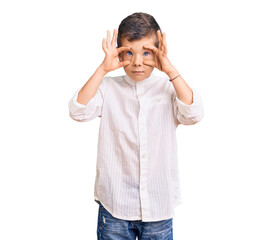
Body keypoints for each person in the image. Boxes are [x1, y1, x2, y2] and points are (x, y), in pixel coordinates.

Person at [67, 12, 204, 240]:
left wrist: (170, 70)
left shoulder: (168, 88)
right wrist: (102, 69)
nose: (137, 61)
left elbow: (194, 114)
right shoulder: (107, 88)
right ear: (119, 51)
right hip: (115, 207)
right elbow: (77, 111)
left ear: (159, 52)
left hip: (158, 207)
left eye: (147, 52)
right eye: (129, 52)